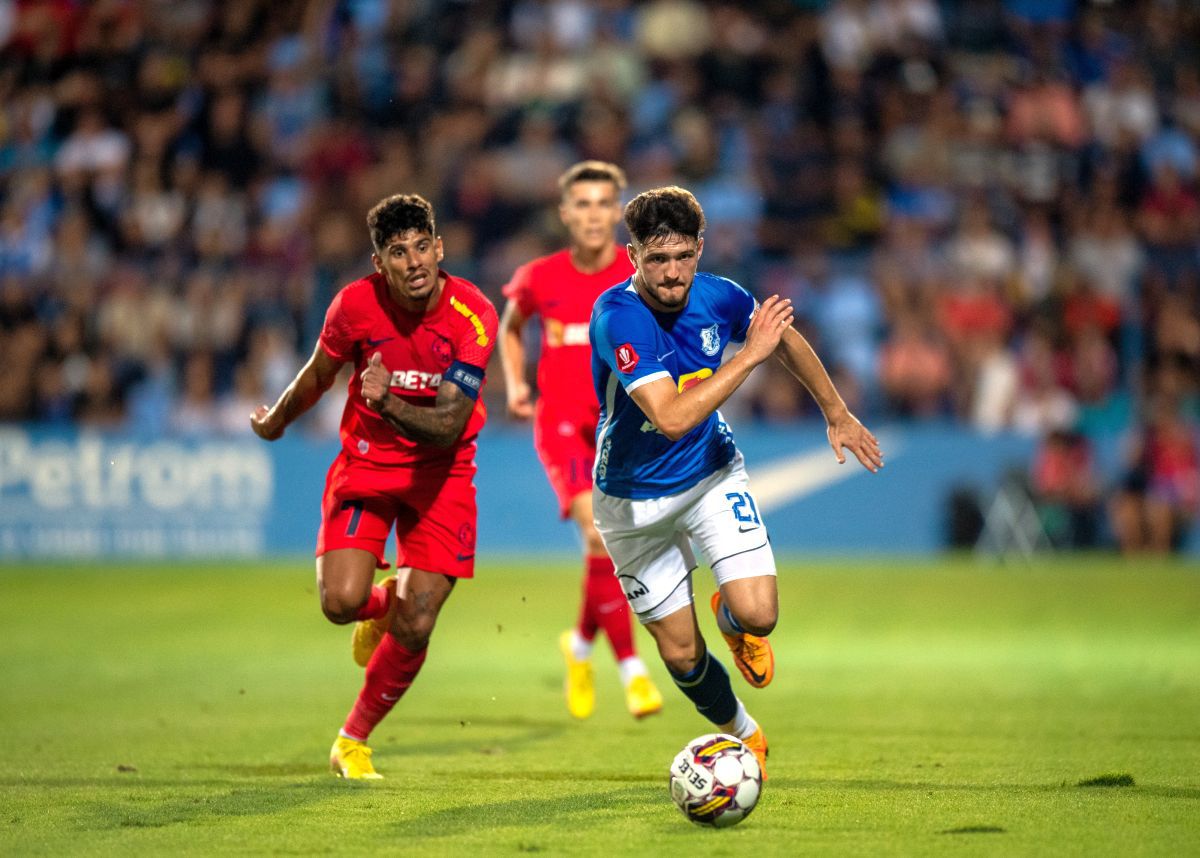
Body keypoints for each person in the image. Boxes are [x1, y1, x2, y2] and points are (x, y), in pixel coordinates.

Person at [589, 187, 883, 777]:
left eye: (682, 257)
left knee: (760, 615)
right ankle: (743, 732)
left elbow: (784, 338)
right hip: (631, 501)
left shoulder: (720, 295)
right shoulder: (618, 317)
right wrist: (748, 356)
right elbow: (671, 418)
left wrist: (836, 412)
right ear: (633, 256)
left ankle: (731, 617)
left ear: (699, 249)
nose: (672, 273)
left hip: (710, 474)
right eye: (657, 259)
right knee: (681, 654)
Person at [250, 194, 498, 779]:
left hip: (442, 472)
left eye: (421, 247)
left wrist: (386, 403)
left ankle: (352, 740)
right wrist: (277, 420)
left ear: (440, 248)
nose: (413, 262)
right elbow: (319, 374)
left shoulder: (473, 314)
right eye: (398, 252)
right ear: (379, 262)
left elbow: (449, 425)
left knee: (419, 620)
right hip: (368, 465)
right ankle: (381, 604)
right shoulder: (354, 306)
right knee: (340, 603)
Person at [499, 161, 663, 721]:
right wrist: (517, 383)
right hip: (562, 424)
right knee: (597, 532)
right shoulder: (539, 277)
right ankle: (633, 671)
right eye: (583, 204)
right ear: (565, 214)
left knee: (613, 545)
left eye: (603, 204)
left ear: (618, 211)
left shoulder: (638, 275)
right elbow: (510, 325)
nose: (594, 215)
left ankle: (580, 645)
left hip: (622, 426)